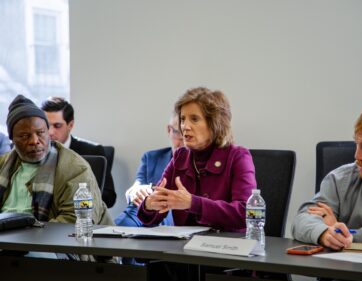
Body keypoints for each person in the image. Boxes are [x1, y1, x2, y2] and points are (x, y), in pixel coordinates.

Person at [138, 87, 256, 232]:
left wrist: (193, 203)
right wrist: (150, 205)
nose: (185, 127)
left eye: (194, 119)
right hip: (184, 248)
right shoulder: (180, 156)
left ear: (215, 124)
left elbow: (249, 213)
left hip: (228, 248)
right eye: (182, 119)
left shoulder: (238, 156)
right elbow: (152, 217)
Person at [292, 104, 362, 250]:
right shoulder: (340, 179)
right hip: (344, 271)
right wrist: (325, 232)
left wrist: (349, 234)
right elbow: (301, 221)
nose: (357, 156)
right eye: (357, 144)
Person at [0, 94, 112, 225]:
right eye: (25, 136)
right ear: (12, 139)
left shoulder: (75, 168)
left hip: (48, 241)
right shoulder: (3, 164)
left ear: (48, 132)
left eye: (40, 132)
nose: (35, 141)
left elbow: (77, 220)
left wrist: (31, 237)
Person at [41, 97, 116, 208]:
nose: (50, 132)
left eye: (57, 126)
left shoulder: (93, 151)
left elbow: (109, 197)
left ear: (70, 125)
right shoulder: (35, 151)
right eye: (46, 125)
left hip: (79, 215)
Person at [114, 114, 184, 227]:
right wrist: (136, 191)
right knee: (138, 205)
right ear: (169, 130)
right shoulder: (151, 158)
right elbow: (138, 185)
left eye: (186, 135)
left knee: (160, 204)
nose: (183, 141)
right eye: (178, 133)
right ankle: (116, 233)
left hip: (177, 213)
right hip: (149, 211)